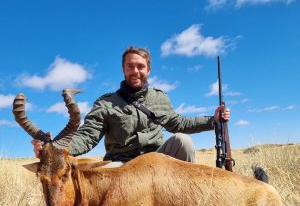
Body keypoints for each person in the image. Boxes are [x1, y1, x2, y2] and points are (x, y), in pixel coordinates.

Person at [32, 46, 230, 163]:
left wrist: (212, 120)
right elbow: (87, 137)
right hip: (120, 166)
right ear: (123, 69)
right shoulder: (105, 103)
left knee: (182, 141)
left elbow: (180, 124)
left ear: (149, 70)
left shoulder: (160, 98)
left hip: (155, 162)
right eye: (130, 66)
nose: (135, 71)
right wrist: (55, 148)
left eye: (140, 66)